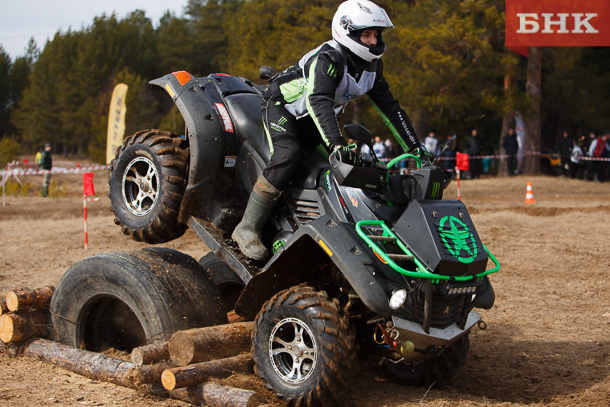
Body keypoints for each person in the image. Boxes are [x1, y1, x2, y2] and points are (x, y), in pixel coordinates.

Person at [232, 0, 429, 261]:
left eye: (376, 34)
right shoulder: (329, 58)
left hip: (314, 117)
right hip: (283, 107)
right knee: (287, 155)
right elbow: (319, 100)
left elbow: (392, 109)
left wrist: (416, 149)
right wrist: (337, 144)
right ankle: (247, 227)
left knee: (342, 169)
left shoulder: (373, 68)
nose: (373, 41)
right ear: (346, 32)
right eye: (366, 35)